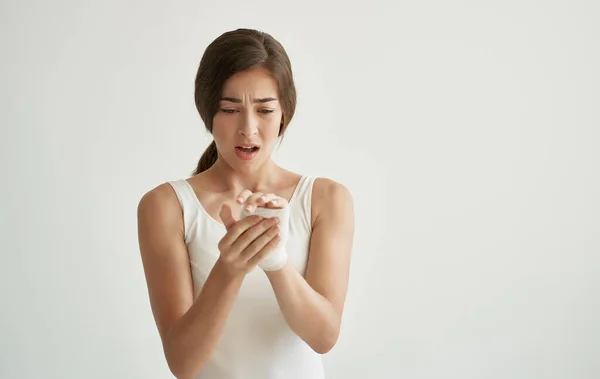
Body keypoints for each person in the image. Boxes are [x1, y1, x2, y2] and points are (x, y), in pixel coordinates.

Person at [137, 28, 354, 379]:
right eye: (229, 109)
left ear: (284, 113)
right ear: (209, 112)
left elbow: (324, 336)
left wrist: (275, 261)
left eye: (265, 109)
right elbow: (183, 363)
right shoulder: (165, 206)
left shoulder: (326, 199)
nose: (248, 128)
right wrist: (230, 268)